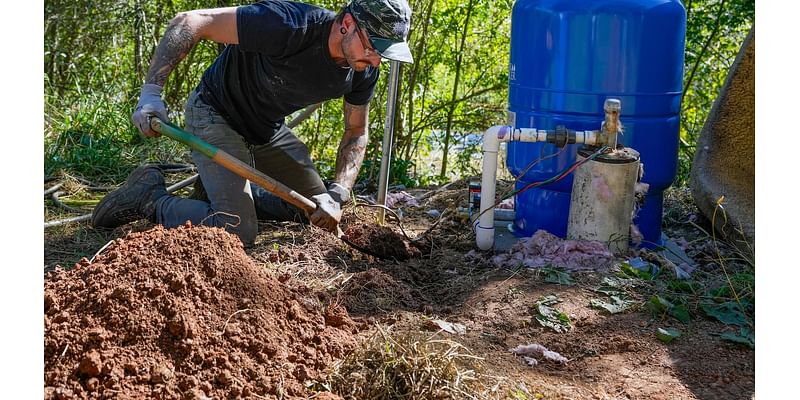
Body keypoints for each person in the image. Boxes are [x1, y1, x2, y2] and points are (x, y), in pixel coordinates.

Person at [91, 0, 413, 247]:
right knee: (237, 230)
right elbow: (190, 21)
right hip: (215, 112)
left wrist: (338, 193)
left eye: (383, 54)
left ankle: (223, 192)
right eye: (373, 47)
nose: (375, 60)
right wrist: (151, 93)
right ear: (346, 24)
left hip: (265, 129)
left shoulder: (363, 70)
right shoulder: (288, 24)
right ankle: (149, 198)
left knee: (315, 213)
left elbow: (357, 131)